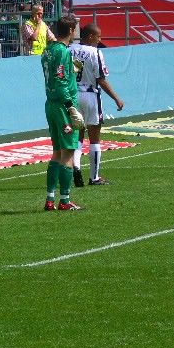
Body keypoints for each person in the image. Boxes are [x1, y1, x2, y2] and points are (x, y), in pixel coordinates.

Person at [69, 23, 124, 187]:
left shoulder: (70, 49)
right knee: (94, 138)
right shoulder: (95, 52)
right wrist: (116, 98)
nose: (100, 40)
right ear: (90, 36)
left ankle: (76, 166)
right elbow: (101, 79)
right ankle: (94, 177)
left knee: (77, 135)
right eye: (98, 36)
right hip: (91, 95)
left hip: (73, 95)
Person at [41, 14, 84, 211]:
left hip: (50, 104)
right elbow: (60, 81)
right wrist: (70, 106)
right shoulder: (63, 51)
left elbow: (55, 75)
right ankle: (65, 201)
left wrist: (70, 71)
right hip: (62, 106)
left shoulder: (48, 49)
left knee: (57, 153)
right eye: (75, 29)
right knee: (68, 153)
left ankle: (50, 199)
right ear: (71, 31)